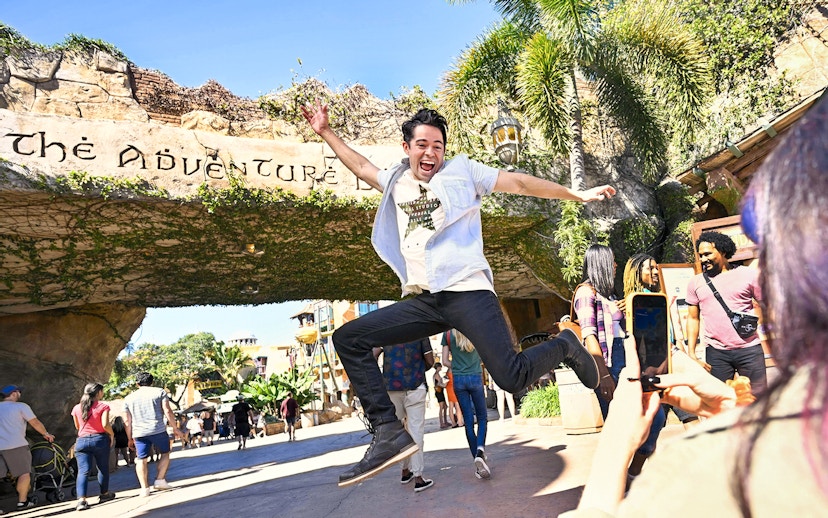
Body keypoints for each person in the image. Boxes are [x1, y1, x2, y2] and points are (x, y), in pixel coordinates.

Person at [301, 101, 611, 486]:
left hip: (467, 291)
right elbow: (362, 167)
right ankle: (388, 432)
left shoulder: (464, 171)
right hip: (425, 299)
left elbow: (520, 182)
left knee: (511, 377)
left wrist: (576, 195)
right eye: (422, 145)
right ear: (406, 147)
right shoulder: (397, 183)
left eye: (438, 146)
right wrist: (326, 132)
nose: (430, 153)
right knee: (349, 337)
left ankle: (565, 344)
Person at [567, 90, 828, 517]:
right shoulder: (615, 294)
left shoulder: (704, 475)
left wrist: (613, 449)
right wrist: (722, 399)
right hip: (705, 355)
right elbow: (608, 334)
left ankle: (634, 460)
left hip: (728, 365)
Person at [574, 245, 666, 479]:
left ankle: (633, 471)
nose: (616, 265)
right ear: (601, 263)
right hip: (608, 362)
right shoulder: (587, 293)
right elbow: (589, 335)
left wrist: (627, 311)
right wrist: (603, 374)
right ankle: (615, 479)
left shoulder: (610, 295)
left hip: (626, 357)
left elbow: (623, 330)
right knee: (618, 426)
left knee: (656, 416)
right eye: (612, 261)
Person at [685, 231, 768, 395]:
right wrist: (692, 353)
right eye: (700, 255)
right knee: (719, 403)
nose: (703, 259)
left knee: (758, 401)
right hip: (716, 354)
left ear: (722, 251)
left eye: (707, 254)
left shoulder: (748, 275)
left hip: (749, 350)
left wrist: (755, 326)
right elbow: (693, 319)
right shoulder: (696, 283)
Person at [622, 254, 698, 430]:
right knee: (650, 435)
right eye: (651, 268)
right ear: (637, 272)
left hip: (670, 370)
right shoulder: (633, 301)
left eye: (656, 267)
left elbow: (671, 336)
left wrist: (685, 361)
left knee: (690, 417)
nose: (656, 271)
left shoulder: (658, 298)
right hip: (653, 373)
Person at [374, 338, 435, 492]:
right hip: (416, 385)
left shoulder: (385, 330)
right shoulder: (419, 330)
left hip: (392, 387)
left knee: (400, 431)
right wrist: (418, 369)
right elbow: (430, 360)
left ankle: (405, 471)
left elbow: (373, 356)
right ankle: (418, 478)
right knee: (416, 431)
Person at [123, 372, 181, 497]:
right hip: (158, 429)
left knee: (141, 459)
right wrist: (175, 428)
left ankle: (144, 488)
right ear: (152, 382)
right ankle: (160, 479)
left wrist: (129, 438)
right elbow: (167, 410)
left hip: (139, 433)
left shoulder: (128, 398)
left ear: (137, 383)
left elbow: (127, 421)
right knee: (165, 453)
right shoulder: (159, 392)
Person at [443, 330, 491, 479]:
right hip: (475, 377)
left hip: (458, 380)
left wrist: (457, 365)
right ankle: (480, 452)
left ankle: (477, 460)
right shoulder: (474, 329)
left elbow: (445, 361)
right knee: (482, 417)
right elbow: (485, 355)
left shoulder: (448, 334)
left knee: (468, 421)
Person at [0, 385, 54, 512]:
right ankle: (22, 502)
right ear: (13, 394)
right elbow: (34, 422)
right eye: (18, 392)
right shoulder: (21, 407)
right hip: (16, 445)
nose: (20, 394)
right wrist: (46, 434)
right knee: (24, 473)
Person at [71, 382, 116, 511]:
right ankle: (104, 494)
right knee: (102, 468)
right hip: (99, 439)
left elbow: (77, 426)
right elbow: (105, 425)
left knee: (83, 470)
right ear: (98, 393)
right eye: (102, 391)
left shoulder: (76, 408)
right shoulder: (103, 406)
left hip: (82, 441)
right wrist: (111, 435)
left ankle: (81, 500)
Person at [432, 362, 449, 428]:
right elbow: (439, 384)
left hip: (440, 391)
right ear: (438, 367)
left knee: (445, 407)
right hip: (439, 392)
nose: (441, 368)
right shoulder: (436, 375)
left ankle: (445, 421)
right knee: (442, 407)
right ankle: (442, 423)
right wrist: (445, 384)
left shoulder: (437, 374)